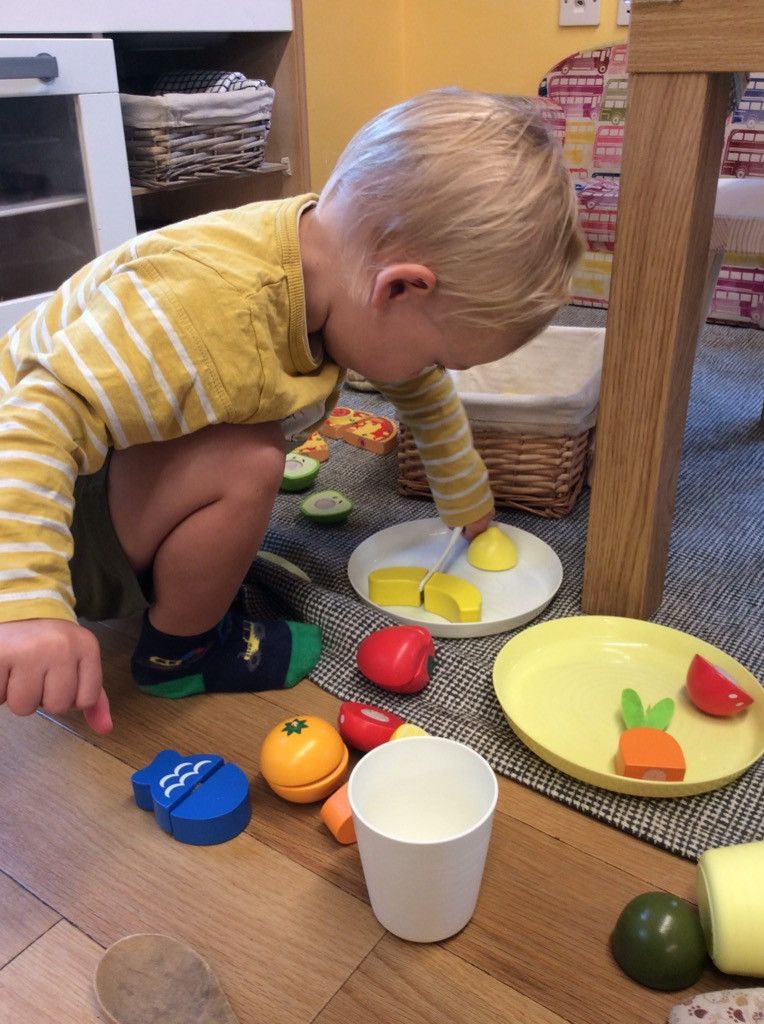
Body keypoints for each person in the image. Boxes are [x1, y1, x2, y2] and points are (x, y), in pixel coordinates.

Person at [0, 88, 583, 734]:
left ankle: (177, 574)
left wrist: (464, 489)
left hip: (77, 485)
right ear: (397, 288)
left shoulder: (335, 265)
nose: (433, 375)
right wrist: (29, 604)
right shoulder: (200, 309)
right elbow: (34, 418)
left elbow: (417, 385)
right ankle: (182, 653)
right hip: (29, 507)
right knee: (248, 460)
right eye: (442, 356)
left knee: (247, 449)